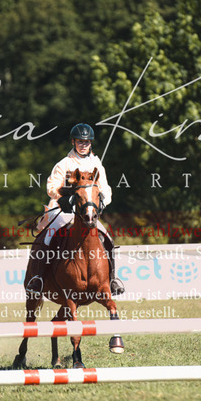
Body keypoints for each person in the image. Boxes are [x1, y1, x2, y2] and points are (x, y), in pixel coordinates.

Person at [25, 123, 125, 296]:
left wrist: (103, 201)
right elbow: (51, 187)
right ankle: (38, 278)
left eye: (86, 142)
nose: (83, 145)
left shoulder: (97, 164)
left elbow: (105, 188)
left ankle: (112, 279)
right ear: (73, 142)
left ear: (91, 143)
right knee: (48, 237)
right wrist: (64, 197)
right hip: (62, 210)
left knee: (107, 238)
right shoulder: (64, 164)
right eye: (80, 141)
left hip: (87, 212)